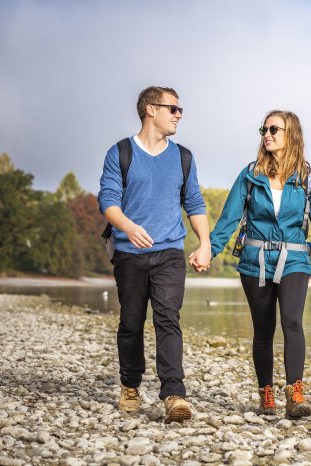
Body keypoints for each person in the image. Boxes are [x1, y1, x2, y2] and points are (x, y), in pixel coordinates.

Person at [209, 110, 311, 418]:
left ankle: (295, 394)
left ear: (292, 135)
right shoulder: (250, 174)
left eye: (275, 129)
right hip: (255, 262)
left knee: (292, 321)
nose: (267, 134)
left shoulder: (306, 177)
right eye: (264, 128)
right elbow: (229, 218)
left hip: (294, 260)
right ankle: (266, 396)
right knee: (263, 330)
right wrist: (209, 249)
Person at [98, 86, 211, 423]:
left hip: (170, 254)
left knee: (168, 319)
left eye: (180, 110)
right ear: (150, 109)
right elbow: (107, 201)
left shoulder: (183, 157)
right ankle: (130, 385)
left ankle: (174, 394)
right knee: (131, 323)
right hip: (129, 254)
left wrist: (204, 243)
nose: (179, 115)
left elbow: (194, 203)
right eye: (173, 108)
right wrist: (129, 227)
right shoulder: (120, 152)